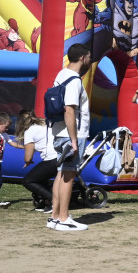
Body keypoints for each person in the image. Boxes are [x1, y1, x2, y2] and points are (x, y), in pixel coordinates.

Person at [46, 43, 91, 231]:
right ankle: (64, 218)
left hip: (58, 132)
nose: (90, 60)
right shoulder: (74, 80)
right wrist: (74, 140)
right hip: (71, 134)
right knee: (69, 176)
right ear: (82, 58)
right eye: (89, 57)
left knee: (61, 173)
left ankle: (54, 216)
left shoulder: (61, 75)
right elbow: (69, 111)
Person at [16, 110, 55, 213]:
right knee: (41, 178)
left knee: (28, 181)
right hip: (61, 156)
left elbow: (28, 157)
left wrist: (28, 162)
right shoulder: (45, 125)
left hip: (52, 159)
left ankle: (53, 200)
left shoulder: (29, 131)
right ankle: (47, 202)